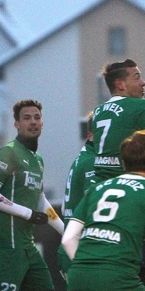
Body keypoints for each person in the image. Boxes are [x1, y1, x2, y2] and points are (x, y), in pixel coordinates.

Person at [62, 130, 145, 291]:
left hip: (78, 277)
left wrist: (89, 267)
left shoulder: (96, 189)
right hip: (117, 279)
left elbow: (68, 239)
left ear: (124, 163)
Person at [0, 100, 64, 291]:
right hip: (5, 245)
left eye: (37, 117)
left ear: (42, 123)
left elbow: (40, 201)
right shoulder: (9, 153)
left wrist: (67, 234)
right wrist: (27, 213)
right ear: (17, 124)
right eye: (27, 118)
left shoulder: (38, 160)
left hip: (26, 245)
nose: (33, 122)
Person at [92, 59, 145, 183]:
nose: (143, 83)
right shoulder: (140, 106)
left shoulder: (98, 111)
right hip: (129, 187)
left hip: (99, 188)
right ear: (120, 85)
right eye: (137, 78)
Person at [57, 111, 96, 281]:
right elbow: (94, 209)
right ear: (91, 135)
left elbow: (67, 208)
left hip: (74, 250)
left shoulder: (84, 157)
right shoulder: (92, 161)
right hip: (81, 252)